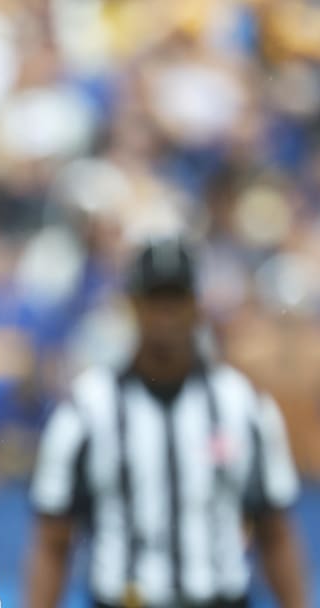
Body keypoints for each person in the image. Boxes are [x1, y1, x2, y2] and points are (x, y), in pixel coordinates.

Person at [25, 237, 310, 608]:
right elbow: (52, 542)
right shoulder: (86, 411)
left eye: (175, 298)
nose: (165, 314)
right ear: (133, 305)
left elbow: (275, 535)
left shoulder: (243, 405)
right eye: (154, 299)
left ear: (196, 306)